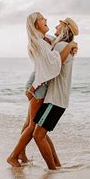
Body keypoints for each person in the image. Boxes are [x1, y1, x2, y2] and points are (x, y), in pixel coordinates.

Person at [6, 12, 77, 168]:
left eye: (60, 24)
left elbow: (54, 51)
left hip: (39, 83)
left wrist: (72, 43)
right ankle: (14, 157)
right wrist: (33, 87)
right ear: (35, 24)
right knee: (34, 128)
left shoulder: (46, 40)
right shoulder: (40, 42)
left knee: (34, 126)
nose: (47, 21)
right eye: (42, 19)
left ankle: (23, 156)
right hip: (39, 85)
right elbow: (53, 65)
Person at [32, 17, 79, 170]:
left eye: (60, 24)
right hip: (58, 99)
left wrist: (33, 87)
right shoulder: (63, 45)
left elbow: (54, 64)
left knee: (38, 136)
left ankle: (52, 169)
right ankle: (57, 165)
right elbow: (50, 40)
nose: (56, 26)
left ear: (65, 28)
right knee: (42, 134)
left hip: (55, 100)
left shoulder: (61, 46)